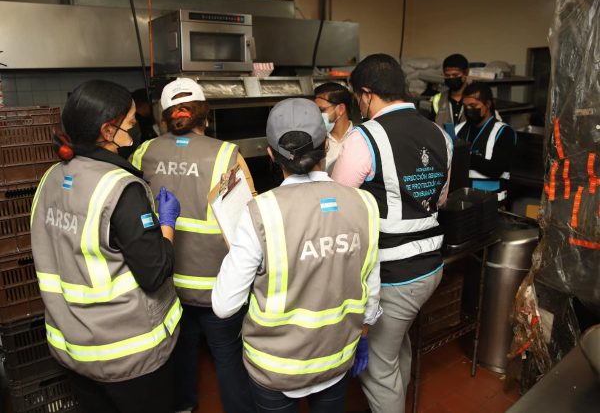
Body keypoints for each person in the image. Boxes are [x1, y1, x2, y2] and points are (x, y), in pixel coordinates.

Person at [212, 98, 382, 413]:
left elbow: (224, 306)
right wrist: (364, 332)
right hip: (336, 357)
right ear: (326, 148)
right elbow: (370, 283)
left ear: (271, 155)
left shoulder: (260, 212)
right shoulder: (365, 204)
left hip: (275, 367)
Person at [31, 80, 182, 413]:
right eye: (130, 123)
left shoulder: (51, 178)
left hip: (74, 348)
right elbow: (155, 272)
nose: (135, 128)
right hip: (127, 354)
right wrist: (167, 224)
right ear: (108, 130)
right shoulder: (120, 189)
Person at [332, 54, 453, 413]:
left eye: (357, 99)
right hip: (431, 267)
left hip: (394, 275)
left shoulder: (364, 136)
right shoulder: (440, 135)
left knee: (378, 370)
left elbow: (339, 203)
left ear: (367, 94)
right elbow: (440, 199)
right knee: (395, 346)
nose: (359, 106)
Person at [131, 78, 256, 413]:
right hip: (216, 284)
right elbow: (249, 222)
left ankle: (183, 407)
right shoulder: (226, 155)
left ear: (166, 116)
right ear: (205, 114)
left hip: (166, 280)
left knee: (180, 350)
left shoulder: (143, 152)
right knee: (227, 354)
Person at [457, 82, 516, 202]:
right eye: (465, 106)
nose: (468, 110)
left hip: (491, 201)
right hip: (461, 199)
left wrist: (466, 157)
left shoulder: (503, 132)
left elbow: (495, 169)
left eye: (473, 106)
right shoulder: (458, 129)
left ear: (488, 104)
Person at [314, 82, 354, 174]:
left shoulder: (361, 138)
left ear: (341, 109)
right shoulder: (316, 141)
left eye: (321, 110)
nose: (318, 115)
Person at [430, 54, 470, 126]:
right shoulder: (438, 99)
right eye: (447, 75)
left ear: (466, 72)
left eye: (455, 75)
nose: (451, 78)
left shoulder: (476, 98)